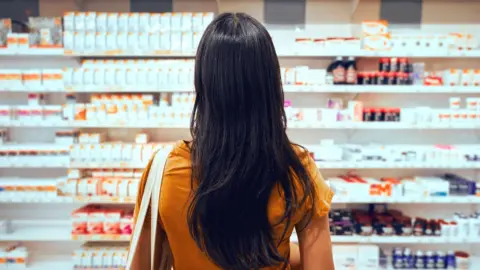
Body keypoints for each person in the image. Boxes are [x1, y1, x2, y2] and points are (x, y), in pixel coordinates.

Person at [135, 12, 334, 270]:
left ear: (203, 84)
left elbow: (140, 262)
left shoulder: (163, 170)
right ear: (271, 85)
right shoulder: (296, 169)